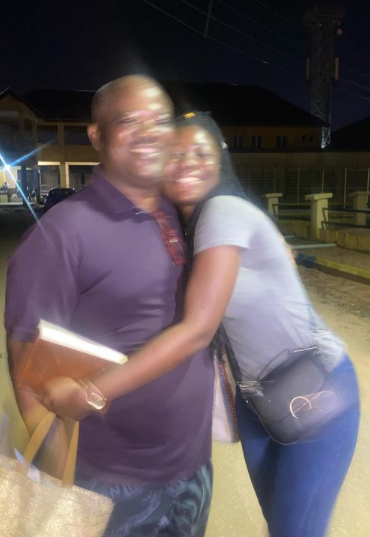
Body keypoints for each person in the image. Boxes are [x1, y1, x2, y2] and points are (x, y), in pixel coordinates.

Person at [42, 112, 360, 537]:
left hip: (313, 389)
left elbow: (196, 330)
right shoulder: (181, 228)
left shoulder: (223, 211)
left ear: (220, 161)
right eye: (174, 155)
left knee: (297, 530)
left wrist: (91, 393)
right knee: (282, 525)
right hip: (257, 400)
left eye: (201, 153)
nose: (187, 163)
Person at [5, 81, 214, 537]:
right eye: (129, 121)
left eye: (160, 121)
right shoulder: (62, 234)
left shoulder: (181, 213)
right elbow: (28, 377)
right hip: (110, 482)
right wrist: (67, 490)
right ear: (96, 134)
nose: (149, 132)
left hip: (192, 468)